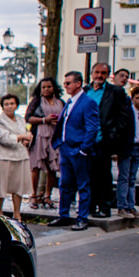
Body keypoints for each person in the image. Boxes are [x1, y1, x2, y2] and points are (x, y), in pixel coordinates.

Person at [48, 71, 100, 231]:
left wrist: (84, 148)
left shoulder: (88, 102)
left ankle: (82, 217)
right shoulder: (69, 102)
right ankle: (63, 215)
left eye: (68, 83)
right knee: (65, 184)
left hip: (78, 150)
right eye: (65, 83)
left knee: (82, 184)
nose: (66, 86)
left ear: (78, 84)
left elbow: (92, 127)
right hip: (66, 148)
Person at [85, 62, 133, 219]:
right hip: (87, 140)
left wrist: (114, 137)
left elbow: (123, 117)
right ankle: (90, 206)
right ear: (92, 73)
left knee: (104, 176)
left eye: (103, 73)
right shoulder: (86, 91)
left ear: (108, 75)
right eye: (97, 72)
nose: (99, 76)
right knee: (88, 176)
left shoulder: (115, 92)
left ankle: (105, 207)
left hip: (104, 140)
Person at [0, 93, 32, 221]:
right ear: (2, 106)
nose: (9, 107)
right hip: (3, 156)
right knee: (0, 188)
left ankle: (17, 213)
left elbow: (25, 133)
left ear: (16, 105)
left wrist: (26, 139)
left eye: (12, 104)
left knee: (18, 187)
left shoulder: (20, 119)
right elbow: (4, 138)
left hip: (20, 155)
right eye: (6, 104)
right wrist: (21, 137)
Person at [26, 77, 63, 209]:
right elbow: (28, 117)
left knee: (52, 167)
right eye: (43, 87)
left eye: (49, 86)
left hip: (54, 136)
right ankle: (34, 196)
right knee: (35, 167)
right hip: (40, 136)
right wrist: (44, 120)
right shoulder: (36, 102)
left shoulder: (60, 102)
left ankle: (48, 195)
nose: (46, 89)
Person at [117, 86, 139, 218]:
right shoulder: (128, 112)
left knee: (132, 178)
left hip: (137, 148)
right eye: (137, 98)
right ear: (132, 98)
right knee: (124, 177)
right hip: (127, 147)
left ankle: (131, 206)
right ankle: (122, 206)